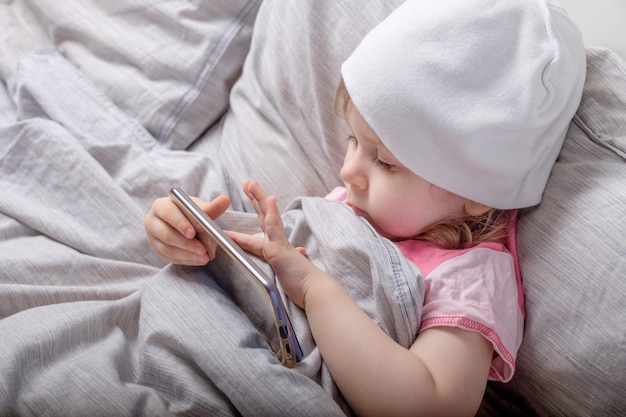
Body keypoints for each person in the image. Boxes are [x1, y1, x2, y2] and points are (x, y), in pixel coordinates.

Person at [144, 0, 586, 415]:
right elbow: (269, 276)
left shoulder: (470, 276)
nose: (348, 170)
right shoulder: (356, 210)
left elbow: (427, 404)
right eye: (353, 139)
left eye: (384, 162)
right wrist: (196, 234)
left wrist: (318, 293)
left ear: (478, 193)